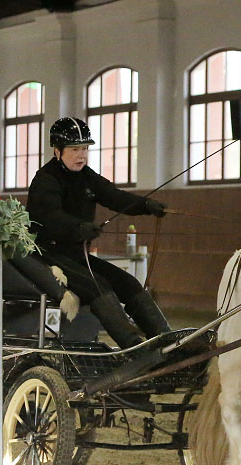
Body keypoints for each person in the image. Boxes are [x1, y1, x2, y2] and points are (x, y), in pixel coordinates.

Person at [26, 116, 170, 349]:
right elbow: (51, 217)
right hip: (48, 255)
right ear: (57, 150)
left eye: (84, 148)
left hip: (76, 255)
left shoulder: (86, 175)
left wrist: (145, 206)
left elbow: (114, 196)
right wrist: (78, 227)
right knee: (98, 287)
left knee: (127, 282)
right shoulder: (45, 179)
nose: (81, 155)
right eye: (74, 149)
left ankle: (167, 339)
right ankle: (135, 346)